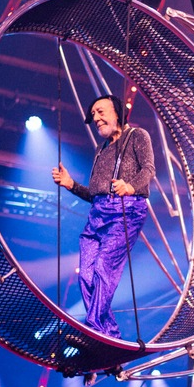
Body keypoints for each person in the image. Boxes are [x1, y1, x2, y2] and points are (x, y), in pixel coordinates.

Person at [51, 95, 154, 339]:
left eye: (100, 112)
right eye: (93, 115)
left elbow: (149, 169)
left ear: (117, 112)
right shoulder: (101, 149)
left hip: (126, 211)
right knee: (86, 276)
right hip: (98, 215)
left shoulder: (137, 136)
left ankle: (94, 329)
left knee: (103, 269)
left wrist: (130, 186)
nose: (96, 118)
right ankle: (109, 334)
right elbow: (98, 194)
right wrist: (71, 185)